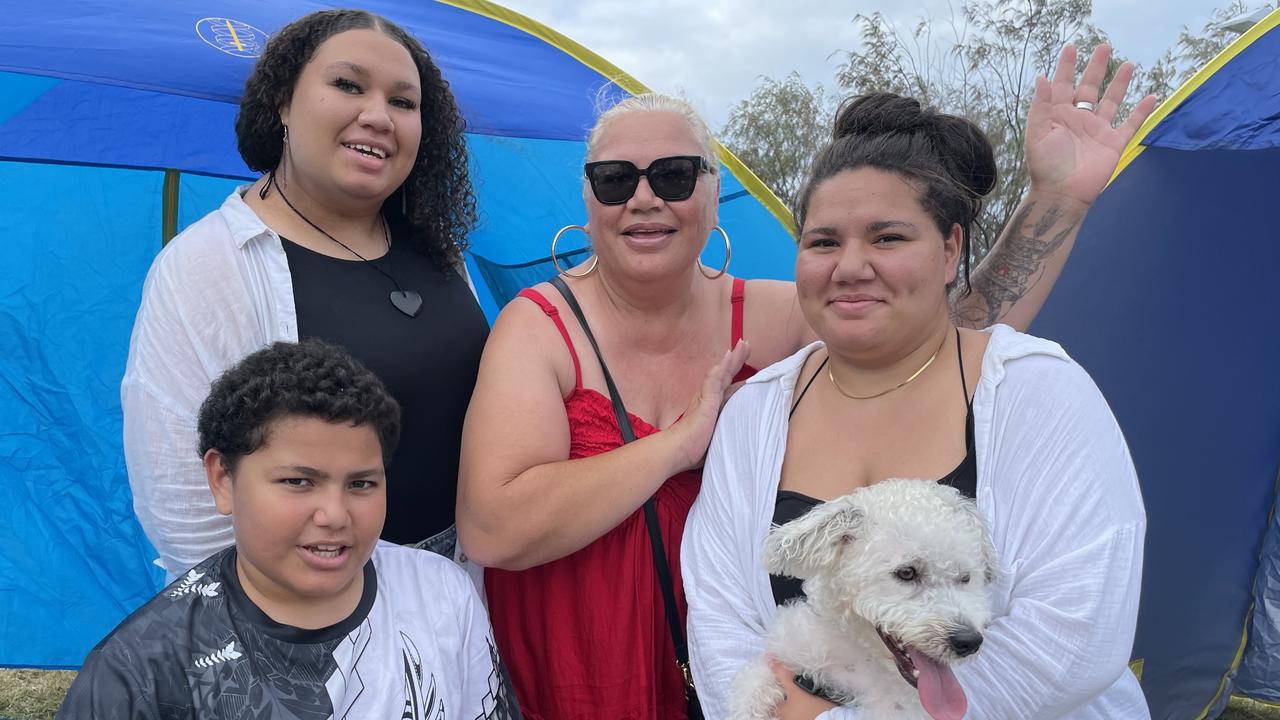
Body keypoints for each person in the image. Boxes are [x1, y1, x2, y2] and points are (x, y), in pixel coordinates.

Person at [456, 44, 1153, 719]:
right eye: (615, 179)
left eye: (672, 175)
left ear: (712, 189)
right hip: (590, 650)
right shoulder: (548, 327)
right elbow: (495, 528)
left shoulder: (775, 314)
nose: (644, 198)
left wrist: (1054, 204)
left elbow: (935, 334)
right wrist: (677, 445)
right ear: (587, 197)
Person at [683, 88, 1150, 719]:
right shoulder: (757, 414)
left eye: (888, 237)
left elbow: (1077, 634)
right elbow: (720, 613)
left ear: (951, 247)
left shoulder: (1040, 393)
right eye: (823, 242)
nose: (850, 266)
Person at [122, 9, 487, 578]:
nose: (378, 116)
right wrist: (267, 633)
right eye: (347, 85)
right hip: (309, 612)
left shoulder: (441, 251)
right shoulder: (208, 264)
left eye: (404, 102)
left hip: (462, 595)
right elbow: (183, 502)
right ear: (284, 103)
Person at [60, 340, 518, 718]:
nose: (335, 515)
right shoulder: (139, 676)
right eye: (298, 482)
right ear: (222, 478)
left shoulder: (441, 593)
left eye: (361, 483)